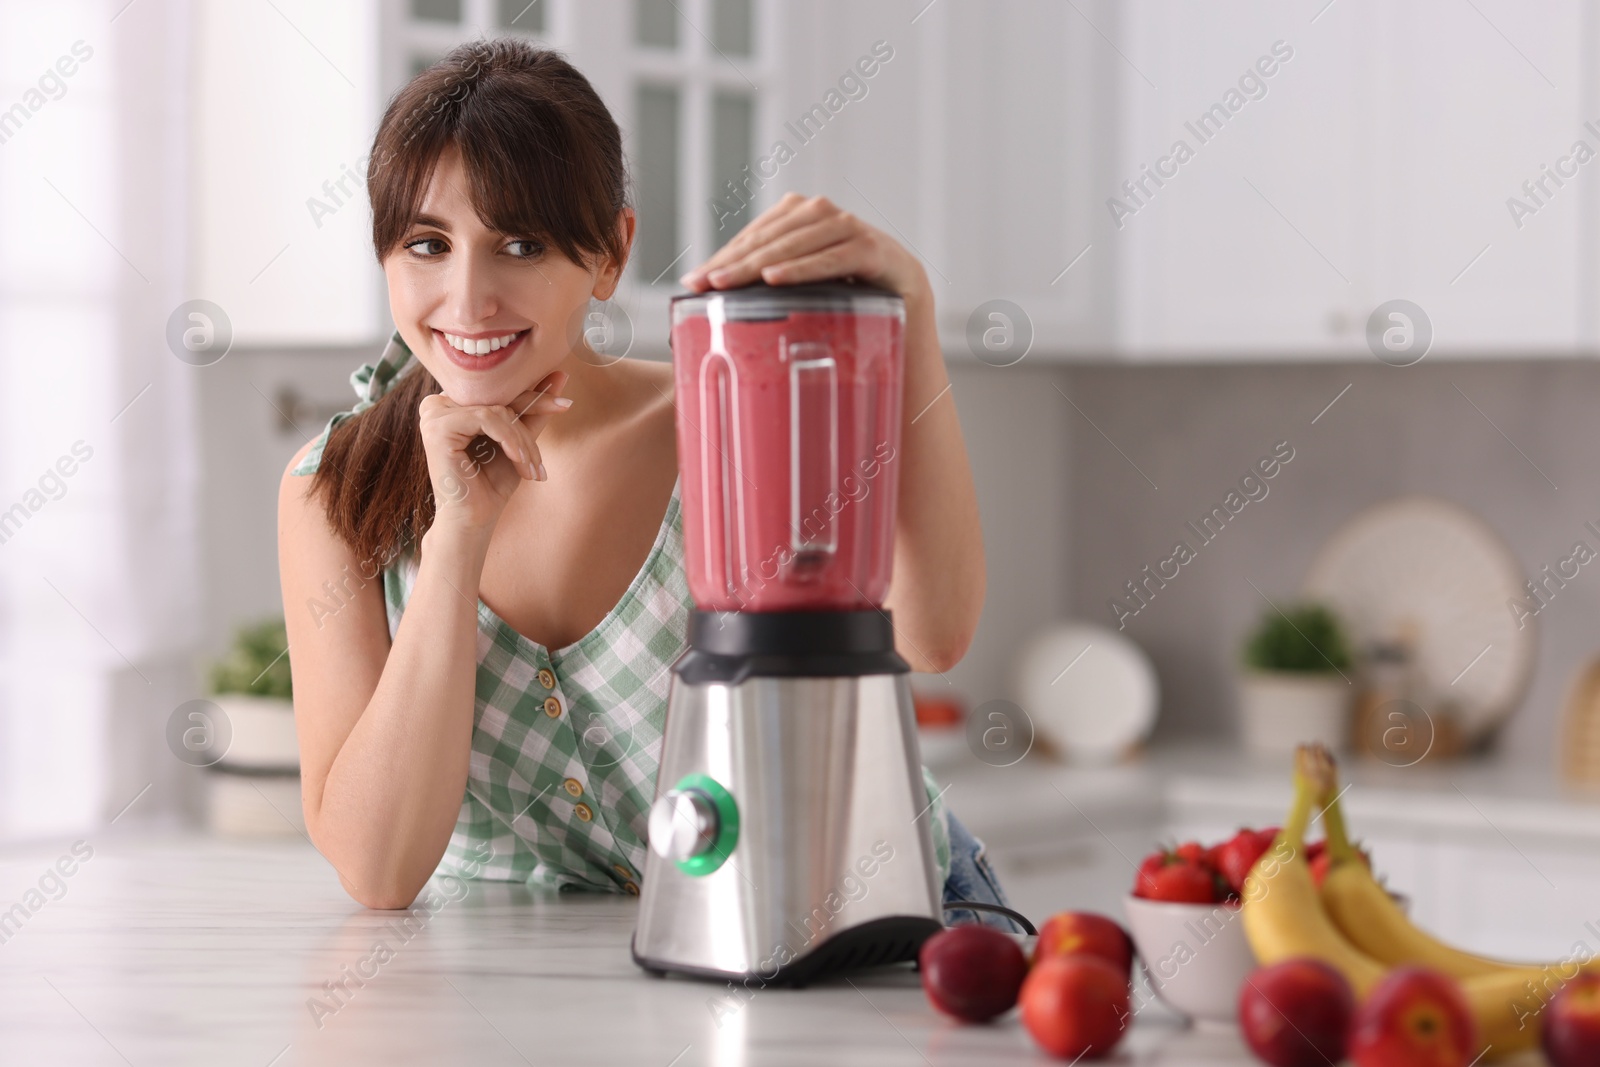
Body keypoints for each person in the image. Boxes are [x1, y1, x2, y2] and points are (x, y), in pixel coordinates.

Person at [277, 38, 1013, 930]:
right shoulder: (337, 490)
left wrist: (913, 318)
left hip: (858, 923)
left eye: (521, 243)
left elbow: (931, 638)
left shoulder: (731, 411)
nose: (467, 300)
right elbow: (379, 867)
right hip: (554, 983)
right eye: (426, 244)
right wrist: (454, 543)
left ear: (610, 253)